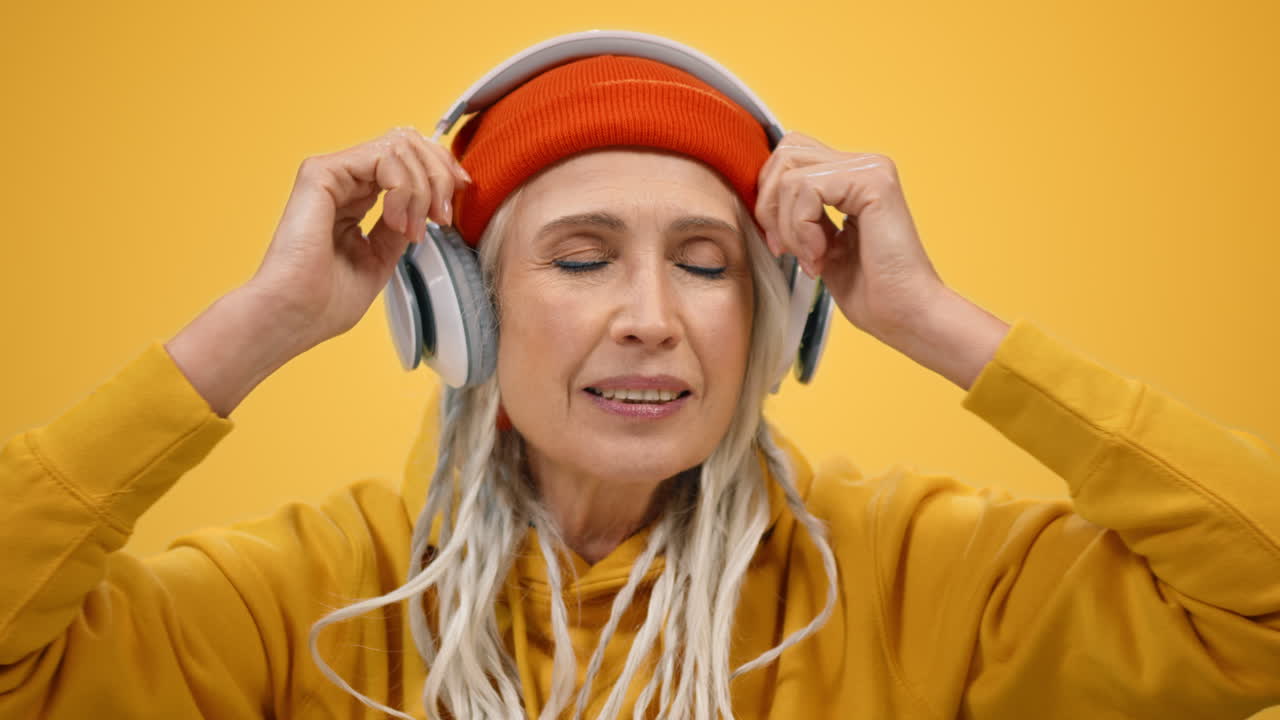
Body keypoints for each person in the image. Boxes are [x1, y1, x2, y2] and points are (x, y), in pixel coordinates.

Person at [2, 50, 1278, 720]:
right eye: (579, 257)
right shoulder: (312, 597)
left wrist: (936, 322)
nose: (653, 321)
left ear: (774, 319)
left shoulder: (913, 578)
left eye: (707, 264)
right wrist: (259, 326)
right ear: (463, 310)